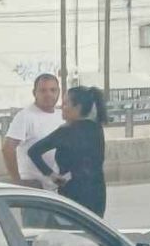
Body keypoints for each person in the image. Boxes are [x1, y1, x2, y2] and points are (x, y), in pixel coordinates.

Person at [27, 86, 107, 216]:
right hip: (98, 194)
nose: (62, 107)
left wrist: (51, 174)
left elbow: (33, 151)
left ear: (77, 107)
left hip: (74, 194)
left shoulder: (66, 131)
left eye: (65, 104)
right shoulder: (97, 129)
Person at [2, 73, 65, 189]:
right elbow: (8, 148)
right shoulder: (25, 116)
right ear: (34, 93)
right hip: (34, 187)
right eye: (43, 90)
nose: (48, 94)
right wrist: (17, 181)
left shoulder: (62, 116)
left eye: (53, 90)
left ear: (59, 92)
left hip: (57, 187)